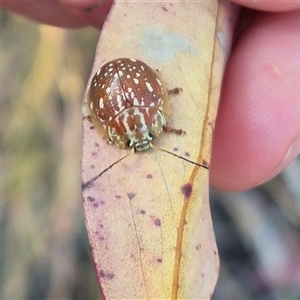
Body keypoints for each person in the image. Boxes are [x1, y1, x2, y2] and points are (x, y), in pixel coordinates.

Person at [1, 0, 300, 191]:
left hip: (121, 79)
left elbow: (146, 100)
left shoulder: (131, 122)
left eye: (135, 141)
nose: (142, 142)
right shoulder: (131, 122)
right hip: (121, 79)